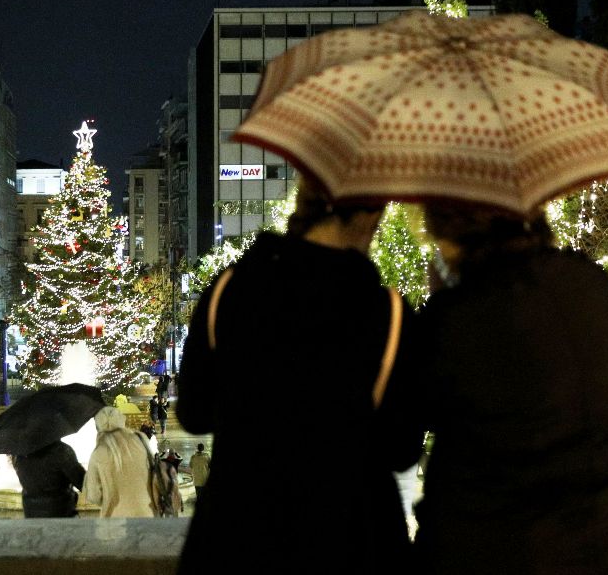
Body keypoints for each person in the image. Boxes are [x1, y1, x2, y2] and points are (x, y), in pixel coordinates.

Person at [175, 176, 423, 574]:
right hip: (352, 541)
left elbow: (194, 413)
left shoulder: (229, 291)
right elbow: (401, 449)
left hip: (236, 538)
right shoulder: (388, 314)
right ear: (371, 214)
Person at [412, 205, 608, 574]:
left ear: (451, 232)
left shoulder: (458, 317)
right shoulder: (591, 285)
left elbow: (405, 438)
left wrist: (442, 300)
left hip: (500, 553)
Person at [83, 406, 156, 517]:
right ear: (121, 420)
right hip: (148, 515)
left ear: (98, 426)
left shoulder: (98, 454)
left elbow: (93, 496)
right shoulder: (141, 439)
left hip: (116, 521)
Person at [12, 440, 85, 518]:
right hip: (61, 512)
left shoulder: (19, 454)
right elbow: (83, 483)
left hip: (31, 513)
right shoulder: (61, 451)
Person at [160, 448, 184, 517]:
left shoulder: (164, 460)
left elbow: (159, 458)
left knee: (165, 495)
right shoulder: (176, 460)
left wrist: (163, 453)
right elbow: (181, 457)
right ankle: (179, 507)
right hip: (174, 481)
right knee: (177, 494)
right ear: (173, 454)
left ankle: (165, 510)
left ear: (169, 454)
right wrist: (176, 454)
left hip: (166, 481)